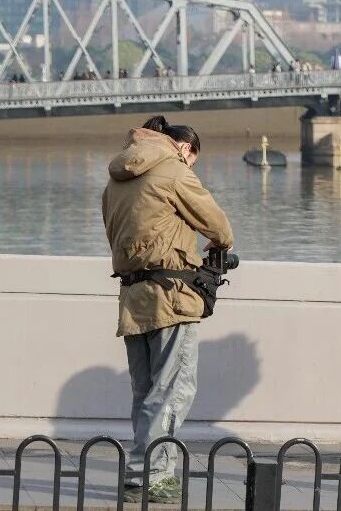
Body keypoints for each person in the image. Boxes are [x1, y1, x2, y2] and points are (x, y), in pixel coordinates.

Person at [101, 116, 234, 502]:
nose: (191, 167)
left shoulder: (115, 180)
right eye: (193, 161)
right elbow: (218, 226)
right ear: (184, 148)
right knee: (174, 389)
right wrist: (221, 243)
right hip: (172, 294)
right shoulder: (174, 171)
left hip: (133, 296)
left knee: (145, 392)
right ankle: (152, 476)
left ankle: (139, 473)